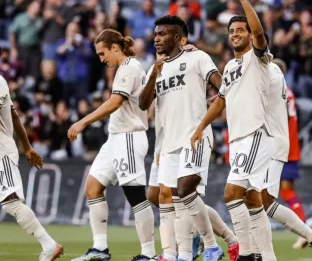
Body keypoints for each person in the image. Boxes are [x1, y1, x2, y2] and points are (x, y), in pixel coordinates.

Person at [191, 0, 277, 260]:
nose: (235, 34)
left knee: (231, 194)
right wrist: (201, 126)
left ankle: (247, 254)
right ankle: (267, 256)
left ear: (249, 35)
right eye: (231, 32)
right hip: (238, 138)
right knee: (252, 200)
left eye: (241, 30)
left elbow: (260, 33)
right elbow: (220, 100)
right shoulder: (229, 67)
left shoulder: (259, 58)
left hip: (255, 134)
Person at [139, 16, 225, 261]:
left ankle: (211, 245)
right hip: (169, 143)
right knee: (170, 199)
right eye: (155, 34)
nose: (156, 38)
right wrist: (155, 73)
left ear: (178, 37)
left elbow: (222, 86)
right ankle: (182, 255)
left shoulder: (197, 57)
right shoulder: (156, 68)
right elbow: (143, 103)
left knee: (185, 190)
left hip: (195, 137)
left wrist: (209, 111)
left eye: (163, 34)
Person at [68, 29, 156, 261]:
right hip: (115, 138)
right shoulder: (124, 69)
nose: (101, 58)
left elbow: (115, 102)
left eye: (102, 53)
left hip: (129, 137)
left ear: (114, 47)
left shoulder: (130, 68)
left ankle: (148, 254)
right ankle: (100, 249)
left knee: (135, 195)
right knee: (92, 187)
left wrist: (83, 121)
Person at [245, 55, 312, 261]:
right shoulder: (287, 92)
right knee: (257, 197)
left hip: (277, 146)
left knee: (266, 196)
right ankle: (307, 237)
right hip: (278, 145)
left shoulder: (276, 90)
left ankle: (304, 235)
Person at [0, 73, 63, 261]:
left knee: (11, 203)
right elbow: (14, 115)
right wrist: (27, 147)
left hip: (2, 152)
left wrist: (26, 146)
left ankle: (49, 244)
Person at [273, 59, 312, 253]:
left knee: (282, 191)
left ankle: (304, 231)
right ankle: (303, 231)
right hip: (288, 146)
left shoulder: (278, 92)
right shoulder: (288, 92)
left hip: (281, 148)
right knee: (282, 192)